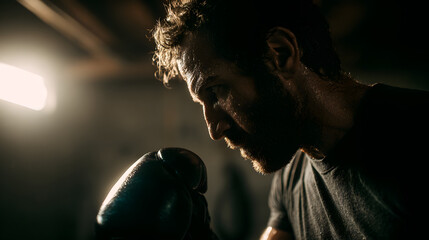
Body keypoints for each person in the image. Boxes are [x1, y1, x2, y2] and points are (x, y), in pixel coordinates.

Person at [152, 0, 429, 239]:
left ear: (280, 55)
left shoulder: (415, 133)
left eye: (215, 91)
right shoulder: (291, 181)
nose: (214, 128)